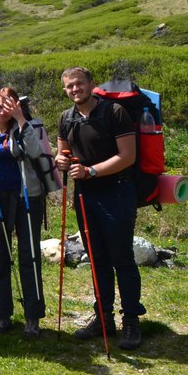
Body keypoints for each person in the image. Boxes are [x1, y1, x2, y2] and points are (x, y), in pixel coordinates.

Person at [54, 67, 143, 350]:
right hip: (85, 195)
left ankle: (131, 321)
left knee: (122, 258)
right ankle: (103, 318)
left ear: (91, 84)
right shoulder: (66, 118)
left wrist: (91, 171)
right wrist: (62, 162)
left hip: (116, 191)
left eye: (79, 84)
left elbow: (128, 156)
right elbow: (62, 153)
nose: (74, 89)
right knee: (97, 258)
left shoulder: (114, 112)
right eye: (69, 86)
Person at [0, 87, 46, 339]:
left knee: (29, 256)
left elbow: (36, 152)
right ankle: (2, 316)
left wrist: (22, 120)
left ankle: (32, 318)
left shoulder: (27, 126)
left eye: (9, 104)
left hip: (28, 197)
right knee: (0, 259)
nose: (3, 108)